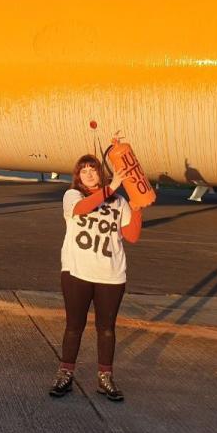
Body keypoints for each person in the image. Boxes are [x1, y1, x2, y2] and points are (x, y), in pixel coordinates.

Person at [49, 154, 143, 401]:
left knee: (107, 329)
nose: (89, 174)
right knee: (74, 326)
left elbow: (131, 236)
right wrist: (110, 187)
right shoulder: (73, 196)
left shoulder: (118, 200)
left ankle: (105, 378)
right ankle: (65, 374)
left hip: (111, 274)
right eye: (84, 171)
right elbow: (82, 209)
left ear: (100, 172)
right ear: (77, 176)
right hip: (77, 271)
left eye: (93, 169)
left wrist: (137, 205)